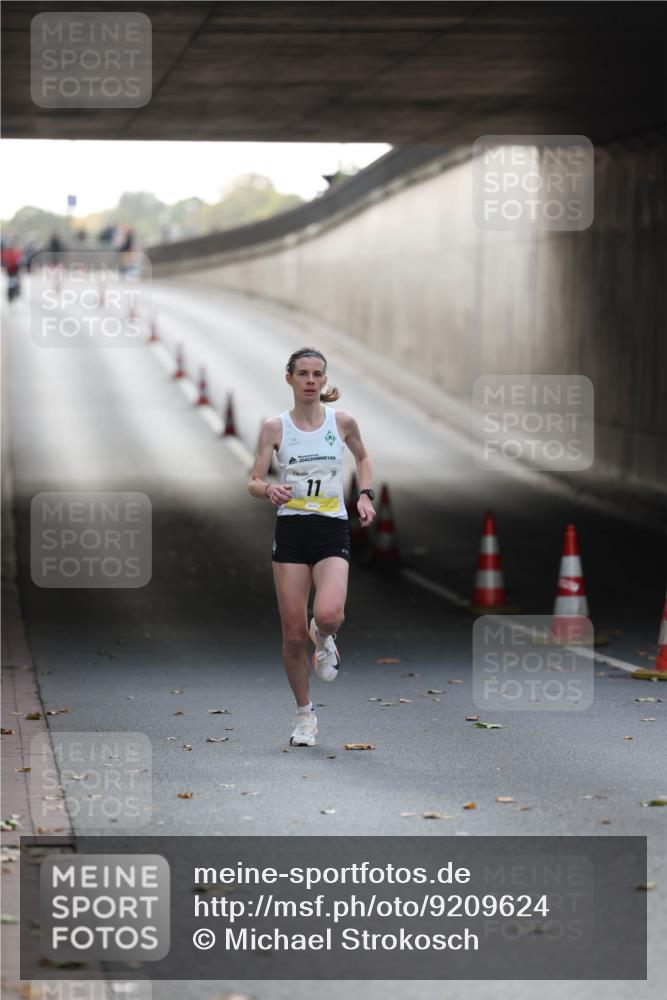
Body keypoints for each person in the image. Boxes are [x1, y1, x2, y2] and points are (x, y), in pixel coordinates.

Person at [248, 348, 376, 746]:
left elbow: (364, 457)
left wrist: (365, 495)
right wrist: (269, 489)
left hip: (330, 530)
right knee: (291, 636)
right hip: (291, 534)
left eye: (316, 374)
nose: (309, 381)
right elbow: (253, 480)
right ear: (288, 378)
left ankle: (325, 637)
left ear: (324, 380)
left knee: (330, 614)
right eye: (302, 373)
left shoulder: (342, 422)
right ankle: (305, 716)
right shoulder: (275, 428)